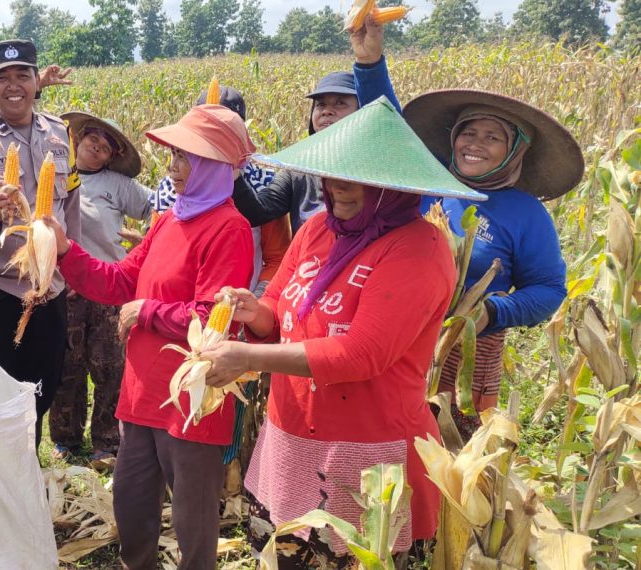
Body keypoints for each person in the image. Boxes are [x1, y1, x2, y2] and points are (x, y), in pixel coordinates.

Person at [200, 98, 487, 567]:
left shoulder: (420, 247)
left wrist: (249, 359)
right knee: (282, 555)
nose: (338, 189)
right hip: (291, 436)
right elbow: (282, 307)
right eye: (332, 176)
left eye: (357, 180)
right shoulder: (316, 229)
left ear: (392, 186)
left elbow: (361, 353)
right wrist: (256, 314)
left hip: (368, 452)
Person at [44, 104, 255, 570]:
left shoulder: (229, 229)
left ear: (218, 167)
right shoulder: (168, 219)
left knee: (191, 518)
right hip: (141, 394)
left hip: (190, 397)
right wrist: (64, 250)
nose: (173, 169)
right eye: (174, 156)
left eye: (186, 158)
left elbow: (213, 319)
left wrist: (148, 311)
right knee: (132, 504)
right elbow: (120, 281)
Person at [349, 16, 581, 435]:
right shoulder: (426, 179)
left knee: (449, 468)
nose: (475, 143)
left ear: (514, 153)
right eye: (468, 132)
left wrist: (492, 311)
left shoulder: (525, 214)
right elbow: (389, 128)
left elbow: (549, 289)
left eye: (493, 137)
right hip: (391, 344)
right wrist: (369, 63)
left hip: (463, 364)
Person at [0, 39, 81, 445]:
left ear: (36, 81)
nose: (13, 86)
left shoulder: (61, 133)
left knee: (41, 393)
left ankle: (25, 476)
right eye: (1, 78)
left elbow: (71, 204)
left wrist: (70, 265)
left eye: (22, 75)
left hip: (48, 290)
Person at [47, 112, 152, 467]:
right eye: (93, 138)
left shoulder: (116, 185)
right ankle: (65, 438)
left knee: (109, 366)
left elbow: (160, 206)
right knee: (67, 364)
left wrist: (148, 245)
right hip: (67, 285)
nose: (97, 147)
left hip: (110, 285)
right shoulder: (57, 176)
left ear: (111, 158)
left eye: (106, 147)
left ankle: (106, 441)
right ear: (78, 140)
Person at [151, 86, 291, 293]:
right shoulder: (170, 187)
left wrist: (259, 302)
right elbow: (155, 252)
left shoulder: (266, 186)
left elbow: (276, 257)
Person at [249, 63, 398, 236]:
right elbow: (259, 211)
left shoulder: (377, 170)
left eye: (340, 103)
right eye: (320, 105)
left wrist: (370, 62)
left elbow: (390, 123)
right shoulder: (298, 171)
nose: (327, 111)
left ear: (362, 113)